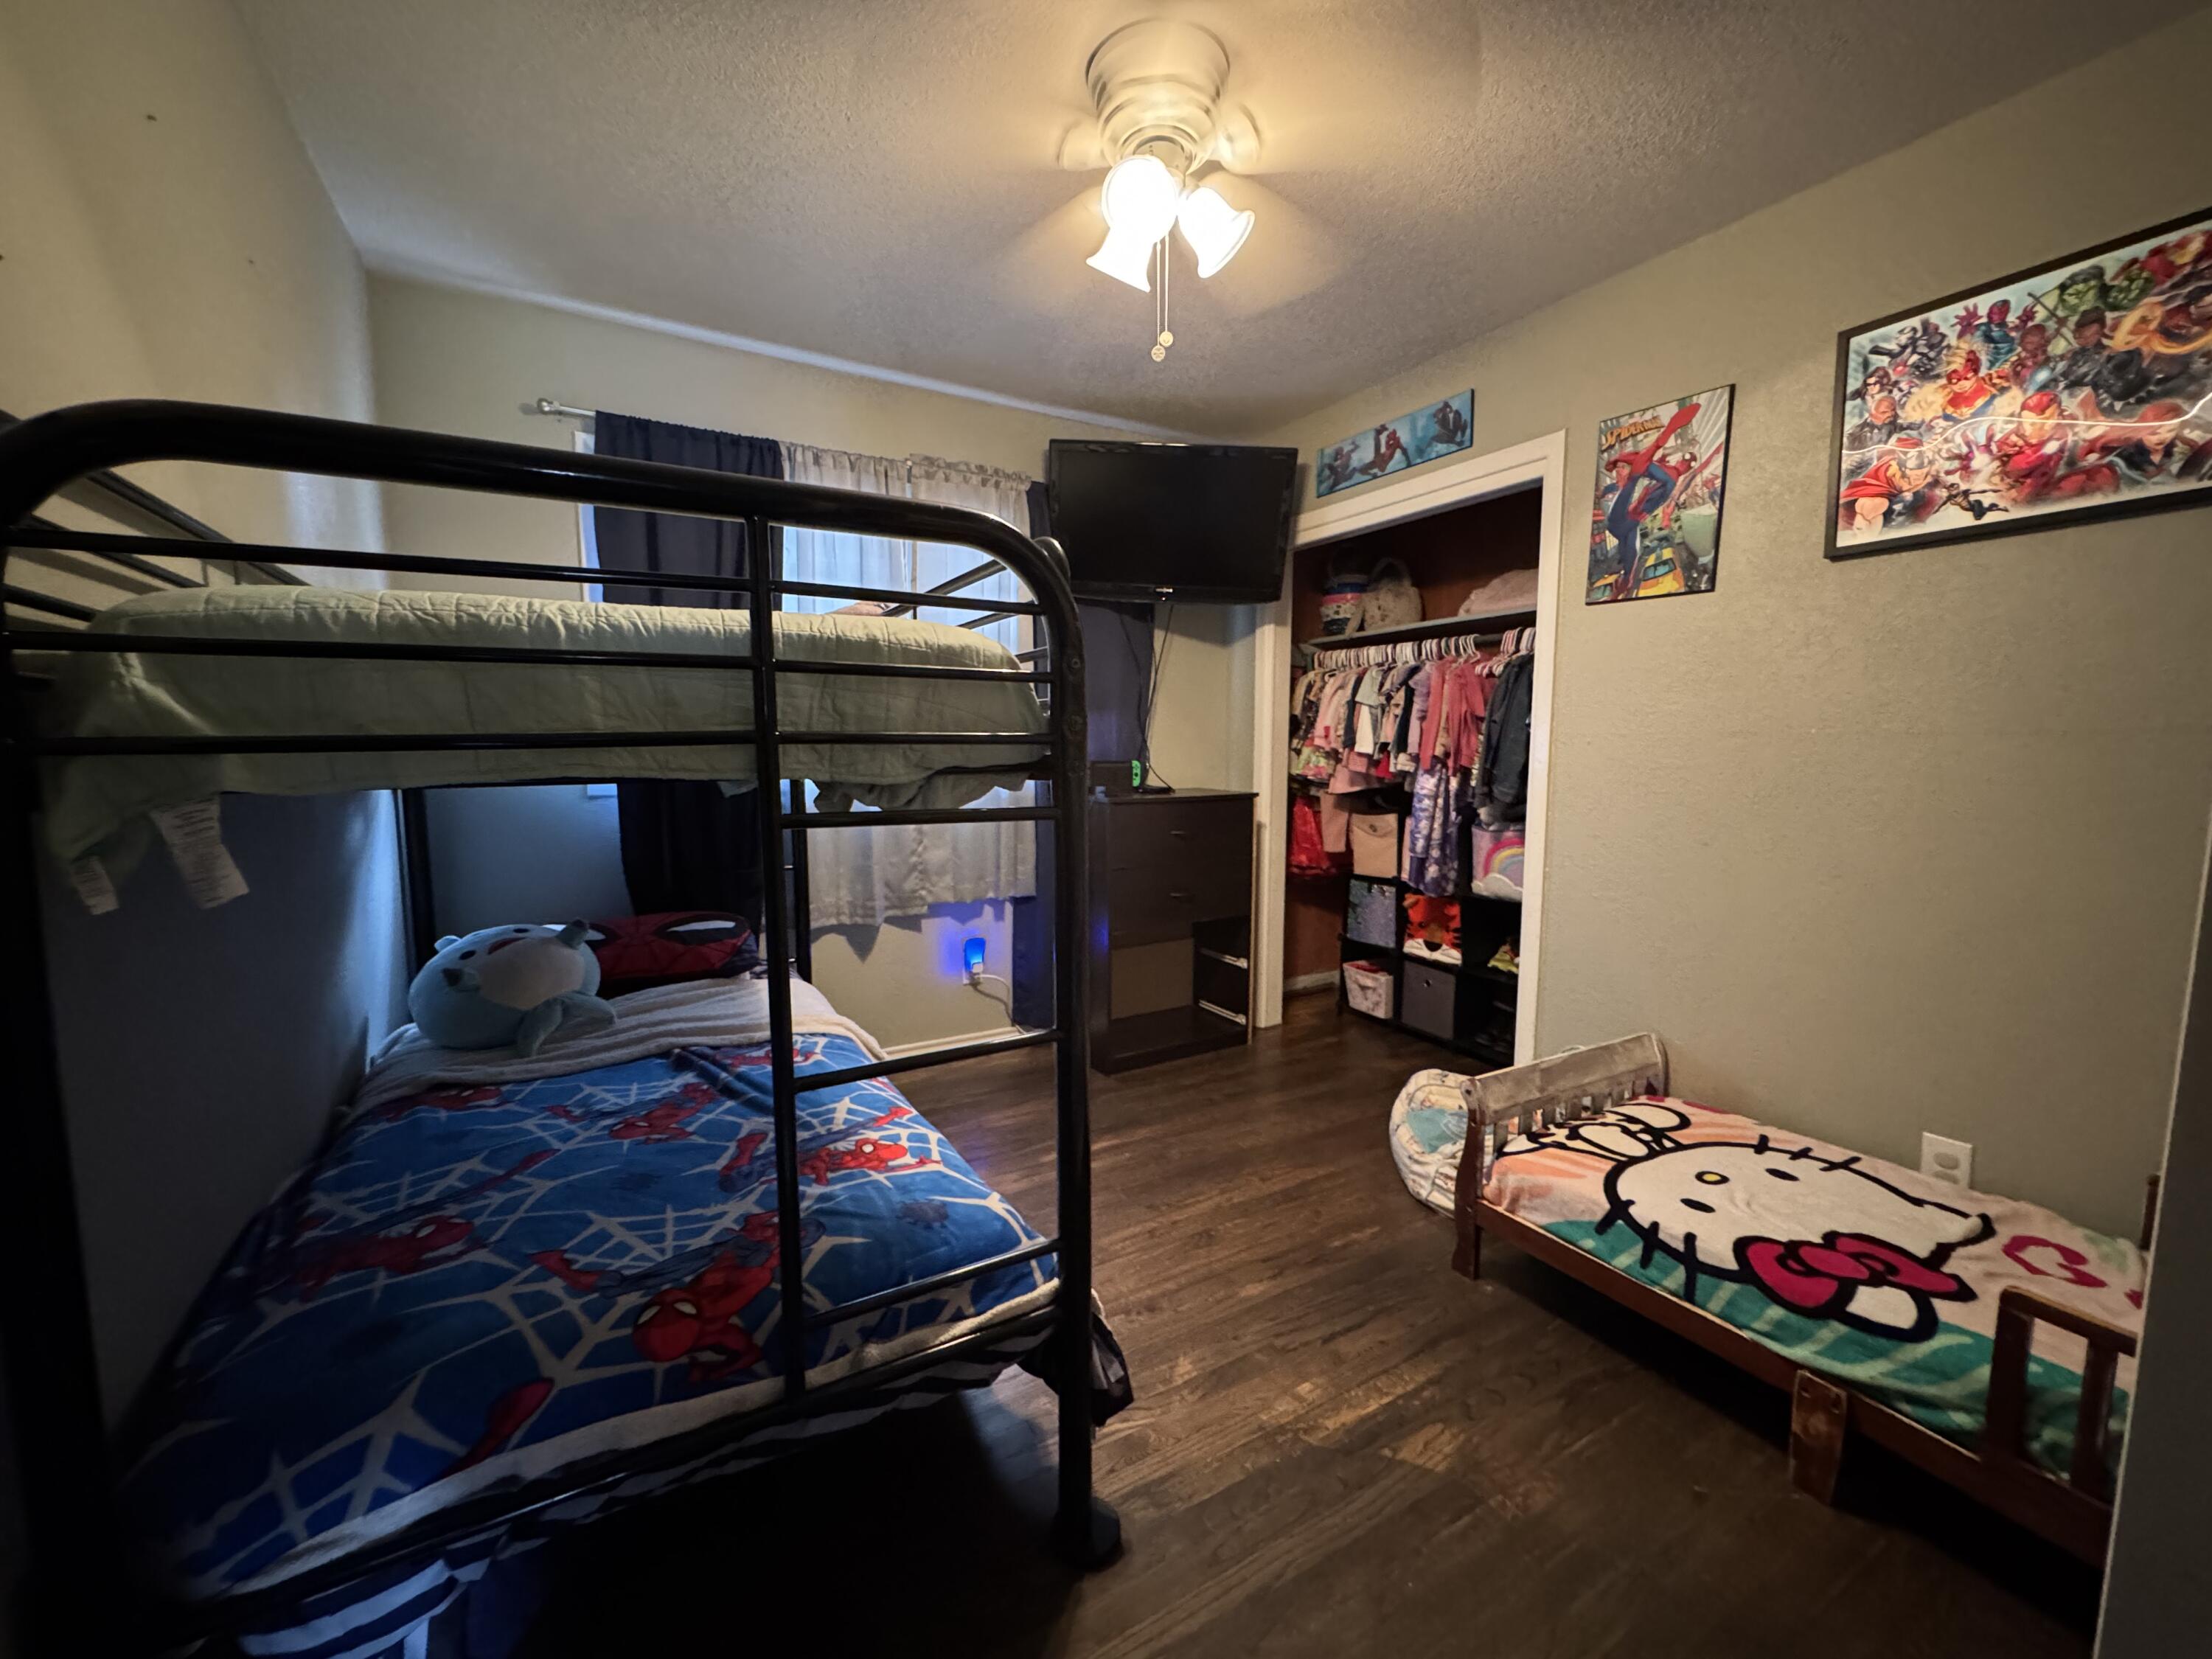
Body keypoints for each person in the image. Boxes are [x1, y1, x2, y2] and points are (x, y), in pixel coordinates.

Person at [1837, 435, 1937, 534]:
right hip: (1874, 499)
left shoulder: (1927, 472)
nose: (1919, 477)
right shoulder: (1886, 475)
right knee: (1874, 505)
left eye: (1923, 473)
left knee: (1931, 498)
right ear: (1904, 470)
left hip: (1904, 508)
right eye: (1916, 474)